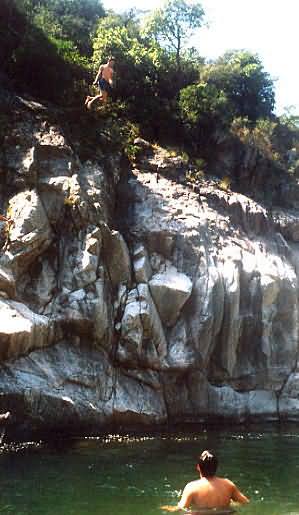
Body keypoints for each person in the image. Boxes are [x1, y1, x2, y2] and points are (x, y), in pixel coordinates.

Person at [161, 450, 249, 513]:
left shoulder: (192, 487)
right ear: (216, 467)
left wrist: (166, 508)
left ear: (198, 467)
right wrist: (230, 504)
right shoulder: (228, 484)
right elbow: (245, 502)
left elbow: (181, 508)